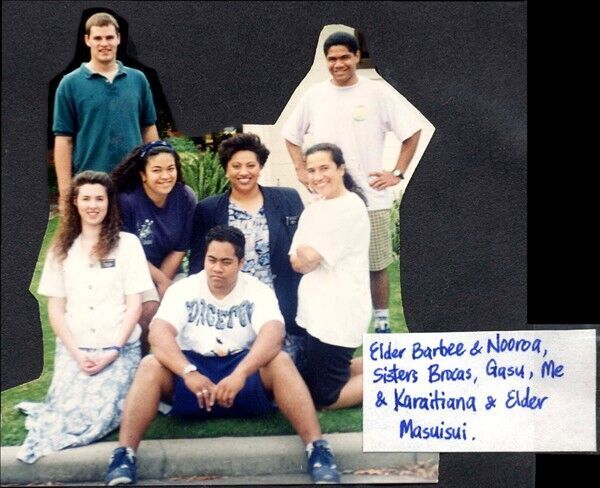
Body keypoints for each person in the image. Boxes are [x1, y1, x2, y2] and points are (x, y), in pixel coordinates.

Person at [104, 225, 340, 485]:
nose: (217, 268)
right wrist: (187, 371)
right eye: (211, 260)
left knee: (280, 361)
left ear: (241, 262)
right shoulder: (184, 289)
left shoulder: (257, 289)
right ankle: (124, 454)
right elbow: (158, 334)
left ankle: (317, 449)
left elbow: (274, 335)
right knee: (150, 364)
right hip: (194, 374)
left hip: (242, 373)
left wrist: (241, 373)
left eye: (226, 262)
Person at [282, 31, 422, 333]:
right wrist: (301, 170)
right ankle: (333, 321)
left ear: (357, 56)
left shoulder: (378, 93)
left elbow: (412, 133)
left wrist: (396, 173)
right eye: (332, 59)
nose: (338, 64)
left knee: (376, 263)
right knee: (329, 265)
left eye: (345, 56)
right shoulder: (314, 95)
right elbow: (291, 136)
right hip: (327, 201)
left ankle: (382, 323)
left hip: (372, 198)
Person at [16, 171, 153, 464]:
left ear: (109, 203)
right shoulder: (61, 248)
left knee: (102, 415)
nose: (93, 205)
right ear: (75, 203)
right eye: (86, 198)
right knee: (66, 411)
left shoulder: (127, 245)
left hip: (118, 347)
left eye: (100, 198)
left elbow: (134, 306)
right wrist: (76, 353)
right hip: (75, 349)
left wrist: (114, 349)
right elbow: (55, 308)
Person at [189, 133, 305, 363]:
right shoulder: (208, 209)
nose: (244, 172)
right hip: (232, 307)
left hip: (281, 304)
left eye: (251, 165)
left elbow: (303, 245)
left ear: (260, 167)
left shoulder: (287, 199)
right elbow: (198, 265)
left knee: (288, 375)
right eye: (236, 166)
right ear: (226, 169)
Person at [289, 143, 370, 410]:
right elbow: (296, 262)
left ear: (341, 169)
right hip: (314, 313)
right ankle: (388, 363)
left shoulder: (351, 207)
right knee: (318, 381)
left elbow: (309, 258)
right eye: (311, 170)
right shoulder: (313, 209)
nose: (317, 176)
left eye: (324, 168)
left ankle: (392, 375)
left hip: (339, 313)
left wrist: (308, 250)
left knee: (326, 398)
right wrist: (308, 252)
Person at [53, 12, 159, 213]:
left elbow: (149, 130)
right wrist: (66, 192)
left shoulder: (138, 80)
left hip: (133, 183)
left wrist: (154, 172)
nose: (104, 43)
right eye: (98, 38)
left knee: (135, 243)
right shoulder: (69, 84)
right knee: (95, 244)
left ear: (118, 38)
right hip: (90, 186)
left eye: (109, 37)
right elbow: (63, 140)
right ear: (87, 40)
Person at [112, 140, 197, 355]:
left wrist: (165, 285)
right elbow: (130, 252)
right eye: (157, 170)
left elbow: (180, 248)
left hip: (171, 268)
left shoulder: (185, 197)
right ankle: (143, 360)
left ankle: (183, 363)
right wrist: (160, 283)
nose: (166, 176)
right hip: (137, 270)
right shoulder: (127, 201)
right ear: (143, 175)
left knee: (186, 304)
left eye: (171, 169)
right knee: (149, 308)